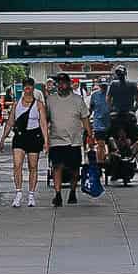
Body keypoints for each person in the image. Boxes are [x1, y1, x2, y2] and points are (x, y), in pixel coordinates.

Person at [42, 73, 88, 207]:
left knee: (74, 169)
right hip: (56, 140)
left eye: (63, 83)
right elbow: (45, 119)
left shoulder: (78, 100)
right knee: (57, 166)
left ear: (69, 84)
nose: (61, 85)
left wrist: (90, 135)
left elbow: (85, 118)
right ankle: (58, 195)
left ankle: (72, 191)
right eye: (59, 83)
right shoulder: (50, 100)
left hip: (74, 141)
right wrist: (45, 138)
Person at [10, 78, 46, 208]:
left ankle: (31, 194)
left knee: (33, 166)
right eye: (25, 86)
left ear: (33, 88)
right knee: (17, 165)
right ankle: (18, 192)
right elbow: (10, 121)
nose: (28, 88)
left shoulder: (39, 104)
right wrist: (3, 138)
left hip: (34, 136)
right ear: (23, 88)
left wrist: (46, 141)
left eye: (30, 86)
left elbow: (43, 124)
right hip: (20, 136)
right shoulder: (16, 104)